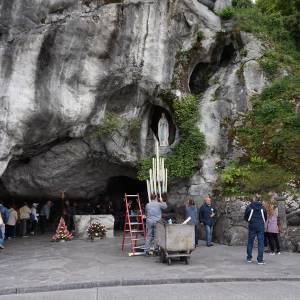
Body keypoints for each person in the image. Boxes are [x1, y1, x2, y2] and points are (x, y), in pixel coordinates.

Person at [244, 193, 267, 265]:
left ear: (254, 199)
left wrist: (250, 221)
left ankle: (249, 258)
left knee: (250, 241)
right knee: (261, 243)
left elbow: (245, 217)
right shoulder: (263, 208)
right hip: (260, 226)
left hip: (252, 225)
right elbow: (265, 218)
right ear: (260, 200)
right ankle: (260, 260)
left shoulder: (249, 207)